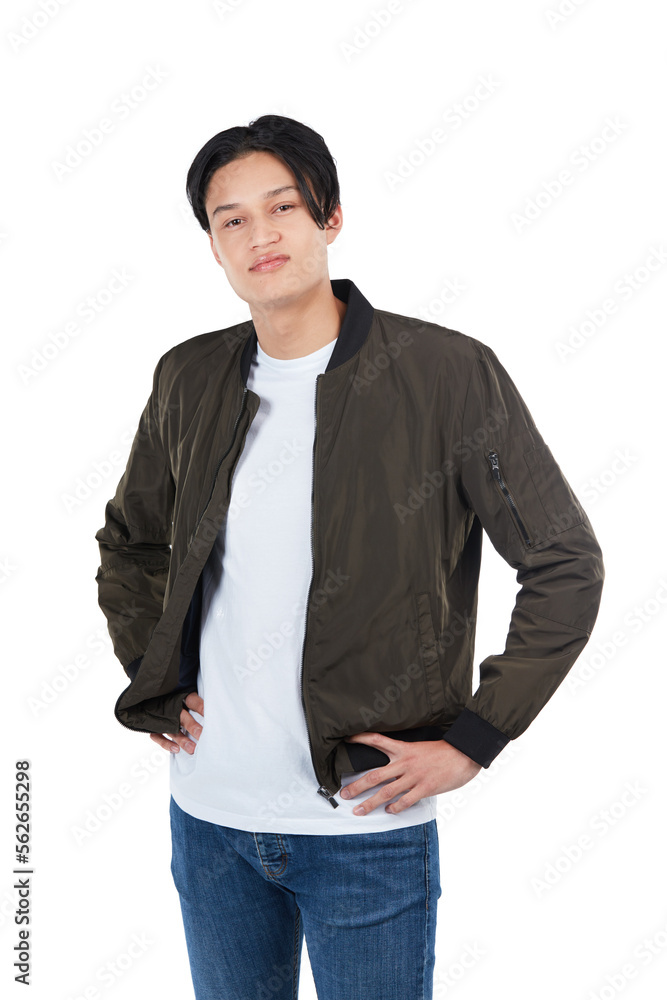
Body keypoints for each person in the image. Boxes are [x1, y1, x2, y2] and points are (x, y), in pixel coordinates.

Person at [94, 114, 605, 999]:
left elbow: (563, 562)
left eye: (282, 206)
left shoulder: (444, 373)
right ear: (212, 245)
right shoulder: (188, 378)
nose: (260, 235)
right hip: (208, 817)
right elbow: (131, 542)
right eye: (232, 219)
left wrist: (476, 738)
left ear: (328, 218)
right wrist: (156, 683)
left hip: (365, 827)